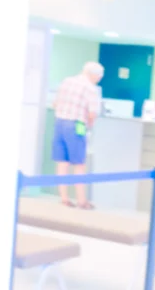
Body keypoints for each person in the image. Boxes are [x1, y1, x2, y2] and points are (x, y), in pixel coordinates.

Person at [52, 61, 103, 210]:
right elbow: (92, 113)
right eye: (99, 76)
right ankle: (82, 201)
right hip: (77, 124)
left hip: (59, 122)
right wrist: (89, 126)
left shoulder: (67, 81)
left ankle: (64, 198)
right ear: (94, 75)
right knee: (79, 163)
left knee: (62, 162)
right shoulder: (90, 88)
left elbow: (55, 103)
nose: (99, 79)